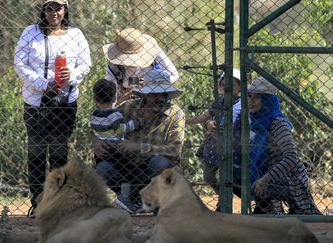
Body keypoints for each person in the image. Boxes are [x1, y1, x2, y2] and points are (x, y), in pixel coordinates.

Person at [14, 0, 91, 217]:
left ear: (65, 9)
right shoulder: (30, 32)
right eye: (49, 8)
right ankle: (38, 204)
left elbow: (86, 63)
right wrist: (42, 82)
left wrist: (71, 76)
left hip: (64, 102)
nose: (53, 12)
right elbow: (20, 63)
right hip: (36, 101)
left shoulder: (75, 35)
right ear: (43, 10)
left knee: (59, 153)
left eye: (58, 8)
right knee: (37, 154)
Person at [92, 70, 185, 213]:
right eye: (155, 94)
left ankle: (155, 202)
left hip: (153, 170)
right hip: (128, 166)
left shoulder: (175, 113)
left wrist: (141, 147)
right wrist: (95, 140)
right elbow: (101, 123)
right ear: (146, 94)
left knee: (159, 163)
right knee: (103, 168)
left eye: (164, 94)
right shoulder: (128, 107)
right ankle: (132, 198)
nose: (160, 98)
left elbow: (175, 150)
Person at [247, 76, 321, 215]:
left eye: (257, 97)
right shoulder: (252, 121)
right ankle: (265, 207)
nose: (251, 101)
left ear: (267, 100)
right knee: (237, 173)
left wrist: (265, 179)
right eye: (249, 96)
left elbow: (291, 158)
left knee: (257, 179)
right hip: (264, 172)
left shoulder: (278, 123)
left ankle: (297, 207)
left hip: (289, 177)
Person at [186, 69, 242, 209]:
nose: (226, 88)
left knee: (226, 177)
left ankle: (223, 203)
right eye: (223, 85)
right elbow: (205, 117)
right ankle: (223, 194)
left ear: (240, 87)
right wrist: (188, 121)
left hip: (231, 148)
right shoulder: (219, 102)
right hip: (213, 147)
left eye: (231, 85)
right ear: (220, 87)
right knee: (208, 176)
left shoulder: (244, 104)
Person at [103, 28, 179, 104]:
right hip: (125, 104)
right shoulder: (113, 68)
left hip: (154, 98)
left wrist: (149, 81)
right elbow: (111, 101)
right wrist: (123, 100)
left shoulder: (153, 51)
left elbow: (174, 75)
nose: (129, 64)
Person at [90, 78, 142, 159]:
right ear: (114, 98)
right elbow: (120, 129)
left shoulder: (95, 114)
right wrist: (134, 123)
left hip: (102, 146)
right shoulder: (115, 115)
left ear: (94, 99)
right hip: (114, 147)